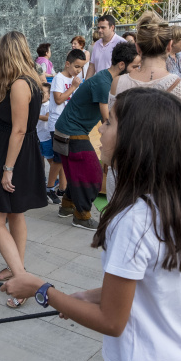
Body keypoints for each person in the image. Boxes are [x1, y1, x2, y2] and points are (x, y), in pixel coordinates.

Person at [2, 88, 181, 361]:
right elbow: (149, 288)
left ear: (136, 140)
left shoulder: (133, 221)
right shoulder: (173, 205)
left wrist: (41, 289)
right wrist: (81, 297)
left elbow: (112, 321)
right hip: (162, 359)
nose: (100, 128)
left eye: (110, 122)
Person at [109, 12, 181, 201]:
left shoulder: (118, 83)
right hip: (168, 178)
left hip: (126, 174)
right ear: (169, 45)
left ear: (138, 48)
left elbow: (113, 129)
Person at [0, 31, 48, 307]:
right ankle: (15, 267)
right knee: (14, 214)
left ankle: (22, 280)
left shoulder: (21, 84)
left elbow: (19, 130)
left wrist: (7, 168)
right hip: (17, 151)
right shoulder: (30, 80)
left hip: (13, 156)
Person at [56, 42, 141, 230]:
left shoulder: (104, 78)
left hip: (66, 131)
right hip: (71, 133)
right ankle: (82, 216)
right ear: (121, 65)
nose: (137, 70)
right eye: (134, 66)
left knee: (76, 172)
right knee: (93, 175)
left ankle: (67, 207)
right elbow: (105, 118)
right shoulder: (104, 82)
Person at [46, 49, 87, 205]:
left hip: (69, 123)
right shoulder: (59, 78)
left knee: (64, 158)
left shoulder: (75, 79)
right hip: (57, 124)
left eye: (81, 67)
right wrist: (73, 87)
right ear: (67, 63)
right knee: (57, 159)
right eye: (76, 66)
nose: (78, 70)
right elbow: (58, 99)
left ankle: (62, 188)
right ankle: (49, 188)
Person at [85, 15, 126, 79]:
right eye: (98, 28)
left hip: (115, 84)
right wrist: (86, 84)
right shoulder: (96, 44)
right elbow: (92, 65)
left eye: (103, 28)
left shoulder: (122, 43)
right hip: (99, 84)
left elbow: (125, 66)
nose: (99, 30)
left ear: (112, 27)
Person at [36, 83, 53, 181]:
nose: (40, 94)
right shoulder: (37, 105)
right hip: (37, 137)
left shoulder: (49, 105)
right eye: (39, 92)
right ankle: (42, 178)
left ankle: (54, 179)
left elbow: (47, 117)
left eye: (43, 92)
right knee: (39, 159)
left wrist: (34, 115)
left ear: (50, 95)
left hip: (46, 137)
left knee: (50, 159)